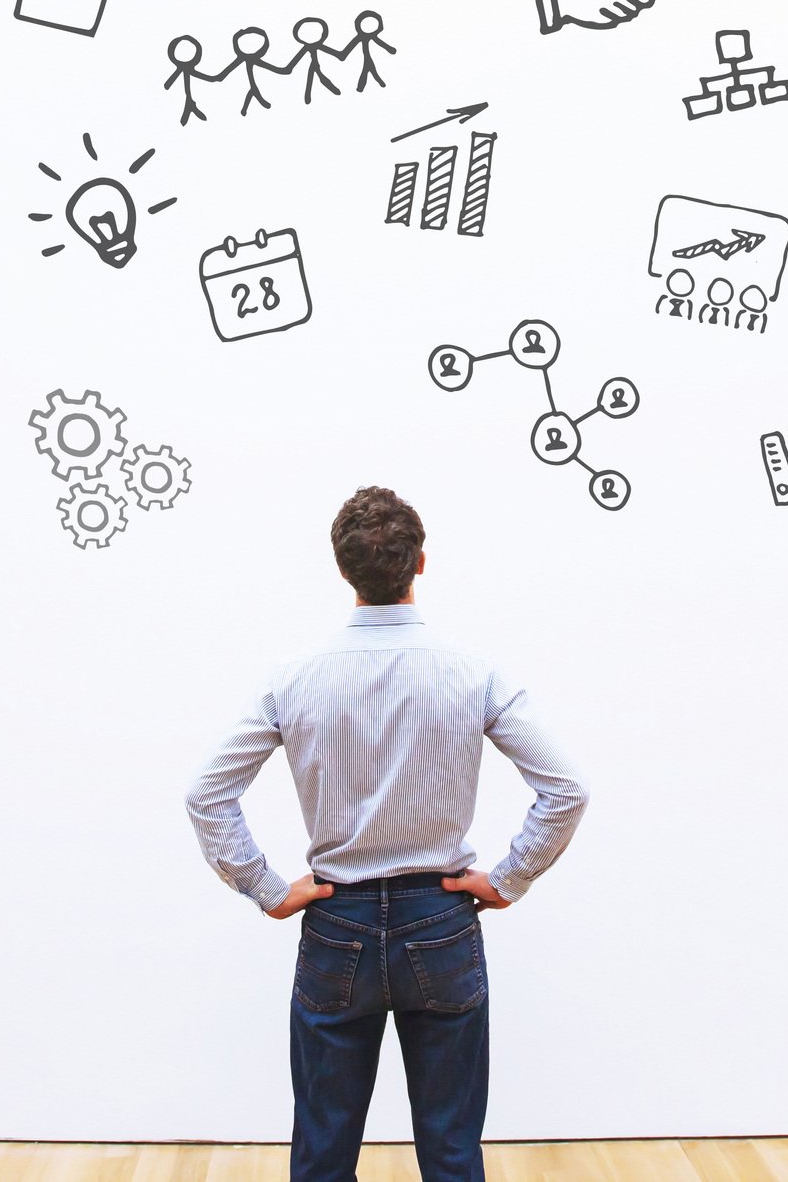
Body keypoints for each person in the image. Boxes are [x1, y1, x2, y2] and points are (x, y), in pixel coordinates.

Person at [185, 487, 588, 1182]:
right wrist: (509, 877)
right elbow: (565, 788)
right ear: (420, 563)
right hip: (441, 918)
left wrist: (267, 889)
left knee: (322, 1149)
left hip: (335, 921)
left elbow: (206, 793)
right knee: (452, 1150)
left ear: (342, 570)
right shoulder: (471, 673)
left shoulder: (295, 679)